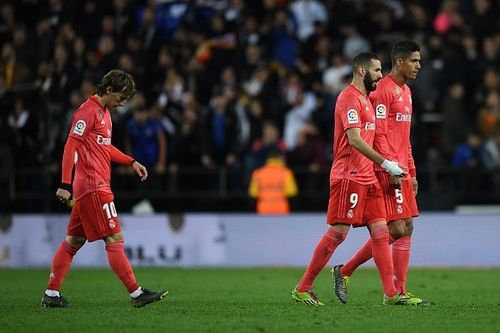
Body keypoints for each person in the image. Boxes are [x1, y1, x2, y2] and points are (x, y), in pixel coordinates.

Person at [291, 52, 421, 306]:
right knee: (338, 233)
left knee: (382, 232)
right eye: (376, 70)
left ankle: (392, 294)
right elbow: (354, 140)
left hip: (368, 176)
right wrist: (386, 164)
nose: (380, 76)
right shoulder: (349, 98)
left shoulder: (365, 100)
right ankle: (303, 287)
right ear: (362, 71)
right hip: (349, 175)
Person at [41, 69, 168, 308]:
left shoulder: (105, 113)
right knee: (114, 236)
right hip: (93, 186)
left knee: (73, 241)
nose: (123, 103)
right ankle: (136, 293)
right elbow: (70, 146)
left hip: (92, 187)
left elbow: (105, 148)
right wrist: (65, 183)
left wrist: (131, 161)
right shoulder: (87, 112)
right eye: (121, 97)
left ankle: (52, 293)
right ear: (108, 90)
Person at [332, 40, 426, 305]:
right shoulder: (382, 91)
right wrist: (389, 165)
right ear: (399, 62)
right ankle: (388, 290)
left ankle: (396, 288)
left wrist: (412, 169)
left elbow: (404, 137)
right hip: (387, 168)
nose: (419, 66)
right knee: (395, 227)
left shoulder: (406, 92)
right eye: (414, 61)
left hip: (402, 167)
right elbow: (379, 133)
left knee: (406, 227)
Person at [248, 148, 298, 215]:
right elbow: (292, 193)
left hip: (263, 209)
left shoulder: (258, 173)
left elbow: (253, 194)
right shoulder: (286, 173)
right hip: (281, 209)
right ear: (279, 158)